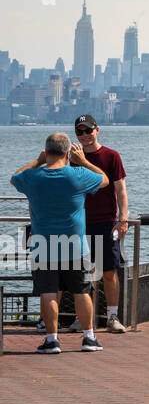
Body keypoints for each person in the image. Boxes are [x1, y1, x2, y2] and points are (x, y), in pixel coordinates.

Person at [10, 132, 109, 353]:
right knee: (82, 291)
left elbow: (14, 177)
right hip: (76, 246)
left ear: (47, 152)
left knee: (48, 293)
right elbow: (104, 180)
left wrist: (38, 161)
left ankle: (52, 339)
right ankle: (89, 338)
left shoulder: (33, 177)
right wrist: (83, 161)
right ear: (67, 153)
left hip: (43, 246)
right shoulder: (78, 175)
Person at [71, 115, 130, 334]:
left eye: (88, 130)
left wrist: (123, 219)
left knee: (108, 271)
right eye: (80, 132)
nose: (85, 135)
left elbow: (120, 190)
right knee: (84, 273)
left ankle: (112, 317)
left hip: (106, 222)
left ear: (97, 130)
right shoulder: (71, 158)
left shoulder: (111, 156)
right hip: (79, 224)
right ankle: (83, 319)